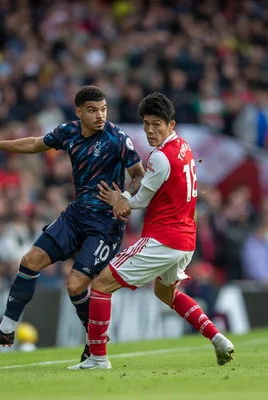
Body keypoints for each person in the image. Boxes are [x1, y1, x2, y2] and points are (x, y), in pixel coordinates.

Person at [0, 86, 144, 362]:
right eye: (92, 110)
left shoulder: (117, 138)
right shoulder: (68, 132)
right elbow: (35, 144)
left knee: (75, 285)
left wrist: (123, 196)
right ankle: (6, 330)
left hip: (104, 225)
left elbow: (138, 176)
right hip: (76, 216)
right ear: (79, 112)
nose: (100, 115)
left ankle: (95, 341)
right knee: (29, 260)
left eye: (103, 109)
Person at [67, 92, 235, 370]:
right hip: (185, 241)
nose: (150, 130)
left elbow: (139, 201)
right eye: (146, 124)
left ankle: (98, 358)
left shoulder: (160, 158)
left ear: (171, 124)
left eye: (157, 124)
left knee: (99, 285)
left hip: (163, 239)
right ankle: (217, 338)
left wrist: (118, 200)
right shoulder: (184, 146)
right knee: (165, 293)